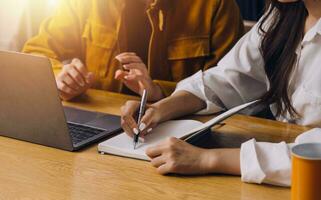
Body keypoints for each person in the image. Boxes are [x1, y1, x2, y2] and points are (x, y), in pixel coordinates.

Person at [120, 0, 321, 187]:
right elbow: (229, 78)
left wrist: (208, 159)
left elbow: (314, 155)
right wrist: (159, 109)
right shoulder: (282, 14)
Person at [22, 0, 244, 101]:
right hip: (95, 128)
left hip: (177, 136)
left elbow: (231, 94)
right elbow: (35, 52)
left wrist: (159, 91)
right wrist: (59, 77)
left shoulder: (216, 6)